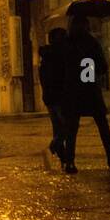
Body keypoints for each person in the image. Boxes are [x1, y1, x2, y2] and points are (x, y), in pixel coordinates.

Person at [60, 15, 110, 174]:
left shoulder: (67, 43)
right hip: (89, 88)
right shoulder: (91, 42)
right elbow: (102, 66)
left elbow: (62, 67)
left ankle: (70, 162)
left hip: (72, 89)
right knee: (102, 124)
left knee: (72, 128)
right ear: (86, 26)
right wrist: (90, 69)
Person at [38, 27, 70, 163]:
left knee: (58, 128)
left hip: (49, 97)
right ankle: (52, 148)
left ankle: (63, 158)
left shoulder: (46, 55)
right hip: (59, 97)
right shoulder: (58, 56)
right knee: (68, 126)